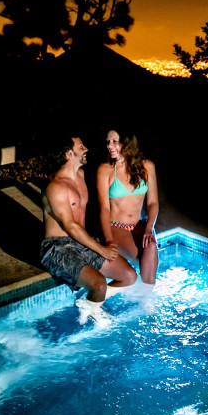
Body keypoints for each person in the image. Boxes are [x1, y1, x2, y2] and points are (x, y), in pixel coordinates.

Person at [40, 136, 137, 320]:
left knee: (129, 276)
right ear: (69, 154)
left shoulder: (81, 176)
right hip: (57, 247)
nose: (86, 149)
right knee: (99, 284)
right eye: (81, 146)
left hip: (81, 241)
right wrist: (101, 249)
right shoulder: (56, 186)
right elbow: (70, 226)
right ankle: (94, 311)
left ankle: (90, 304)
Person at [96, 129, 159, 285]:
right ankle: (146, 297)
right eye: (108, 142)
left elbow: (153, 203)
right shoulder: (105, 170)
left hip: (139, 225)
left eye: (115, 142)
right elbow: (104, 209)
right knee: (146, 259)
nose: (110, 146)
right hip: (116, 227)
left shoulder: (147, 167)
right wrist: (109, 240)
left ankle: (146, 297)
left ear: (127, 143)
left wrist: (148, 227)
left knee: (150, 247)